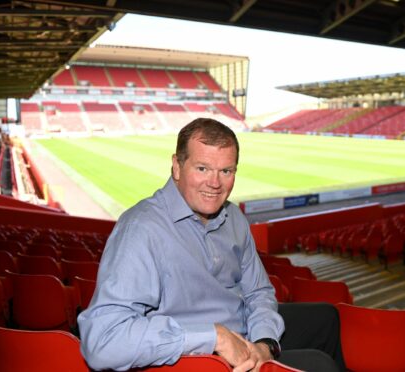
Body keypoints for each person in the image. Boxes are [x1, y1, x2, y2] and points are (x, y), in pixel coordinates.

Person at [78, 118, 345, 371]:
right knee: (319, 364)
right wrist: (214, 337)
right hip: (196, 354)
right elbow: (102, 340)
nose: (215, 184)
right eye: (203, 168)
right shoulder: (141, 229)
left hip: (242, 332)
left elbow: (258, 293)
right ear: (177, 166)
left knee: (326, 318)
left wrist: (265, 343)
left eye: (226, 171)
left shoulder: (234, 218)